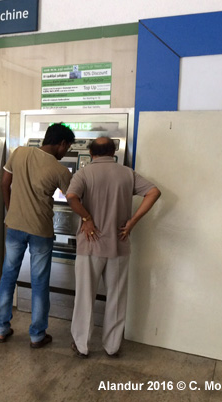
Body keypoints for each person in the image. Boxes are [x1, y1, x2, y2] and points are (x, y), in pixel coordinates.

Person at [65, 136, 161, 358]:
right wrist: (132, 221)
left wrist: (87, 218)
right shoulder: (127, 173)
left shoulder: (84, 173)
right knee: (117, 297)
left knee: (84, 297)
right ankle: (112, 346)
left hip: (90, 246)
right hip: (119, 244)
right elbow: (154, 192)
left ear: (91, 153)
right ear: (114, 152)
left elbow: (71, 197)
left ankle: (82, 345)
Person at [0, 123, 75, 348]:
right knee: (40, 282)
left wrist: (11, 210)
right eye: (67, 147)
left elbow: (5, 183)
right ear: (61, 143)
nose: (66, 152)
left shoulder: (19, 152)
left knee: (8, 276)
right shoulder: (60, 170)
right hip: (40, 230)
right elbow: (73, 198)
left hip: (14, 227)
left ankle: (1, 329)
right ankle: (37, 335)